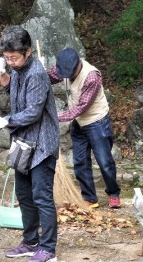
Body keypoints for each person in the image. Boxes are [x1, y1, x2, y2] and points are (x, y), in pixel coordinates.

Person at [0, 25, 60, 262]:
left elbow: (33, 112)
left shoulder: (37, 74)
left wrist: (5, 120)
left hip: (42, 144)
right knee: (24, 195)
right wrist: (4, 75)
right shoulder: (18, 69)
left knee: (41, 197)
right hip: (23, 142)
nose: (11, 62)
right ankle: (30, 242)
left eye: (14, 58)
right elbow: (14, 90)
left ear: (27, 52)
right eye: (7, 58)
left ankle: (48, 248)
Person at [47, 47, 121, 209]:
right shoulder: (63, 68)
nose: (65, 76)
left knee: (104, 161)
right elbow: (50, 77)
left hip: (96, 121)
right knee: (80, 161)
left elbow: (81, 108)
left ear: (78, 65)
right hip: (79, 123)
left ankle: (114, 193)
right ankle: (90, 197)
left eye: (69, 73)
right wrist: (38, 77)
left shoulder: (91, 77)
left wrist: (54, 116)